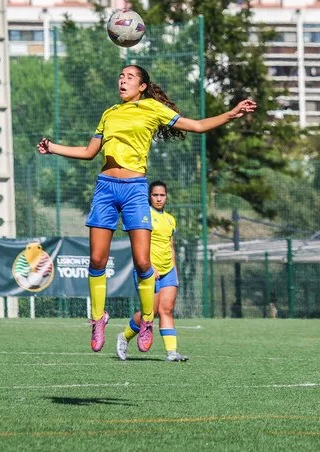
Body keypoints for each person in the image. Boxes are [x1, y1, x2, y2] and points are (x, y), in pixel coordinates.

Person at [37, 64, 256, 353]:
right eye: (120, 76)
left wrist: (231, 113)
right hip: (105, 187)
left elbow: (197, 126)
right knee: (97, 260)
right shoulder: (109, 113)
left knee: (143, 262)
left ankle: (147, 320)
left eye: (129, 77)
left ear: (142, 86)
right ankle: (98, 318)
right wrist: (54, 147)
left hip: (135, 190)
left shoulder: (153, 108)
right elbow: (90, 153)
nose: (122, 80)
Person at [116, 180, 188, 362]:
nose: (158, 198)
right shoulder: (144, 215)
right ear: (149, 196)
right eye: (155, 195)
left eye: (162, 195)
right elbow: (140, 244)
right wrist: (149, 266)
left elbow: (171, 246)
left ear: (166, 197)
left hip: (168, 271)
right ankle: (124, 337)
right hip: (148, 270)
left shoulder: (171, 219)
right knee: (151, 312)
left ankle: (172, 352)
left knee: (167, 310)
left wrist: (175, 271)